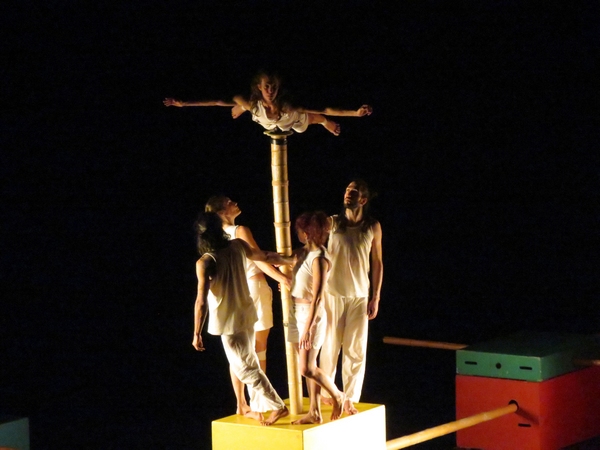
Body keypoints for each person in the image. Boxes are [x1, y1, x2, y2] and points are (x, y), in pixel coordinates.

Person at [192, 211, 292, 425]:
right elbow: (265, 256)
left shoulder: (205, 262)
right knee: (246, 361)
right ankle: (247, 405)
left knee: (245, 367)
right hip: (246, 313)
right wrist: (292, 259)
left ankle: (277, 406)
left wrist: (196, 332)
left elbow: (201, 301)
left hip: (229, 320)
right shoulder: (237, 245)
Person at [319, 180, 383, 415]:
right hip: (333, 293)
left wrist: (375, 296)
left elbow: (377, 262)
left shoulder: (372, 226)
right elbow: (315, 250)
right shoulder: (333, 222)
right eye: (347, 189)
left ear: (363, 199)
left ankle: (349, 398)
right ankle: (327, 393)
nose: (348, 193)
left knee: (356, 350)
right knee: (329, 346)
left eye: (354, 191)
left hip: (359, 295)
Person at [163, 71, 372, 136]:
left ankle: (323, 123)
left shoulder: (290, 104)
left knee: (305, 124)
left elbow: (324, 108)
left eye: (274, 87)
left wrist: (355, 113)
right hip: (265, 121)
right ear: (260, 88)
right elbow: (217, 101)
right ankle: (241, 108)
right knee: (240, 104)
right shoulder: (254, 102)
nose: (270, 91)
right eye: (267, 87)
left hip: (291, 119)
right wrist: (183, 104)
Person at [288, 212, 345, 424]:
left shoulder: (320, 258)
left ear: (306, 233)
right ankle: (315, 411)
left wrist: (308, 328)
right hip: (296, 311)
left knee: (307, 368)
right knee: (307, 368)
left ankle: (337, 394)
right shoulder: (302, 253)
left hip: (311, 316)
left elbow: (318, 297)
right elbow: (274, 258)